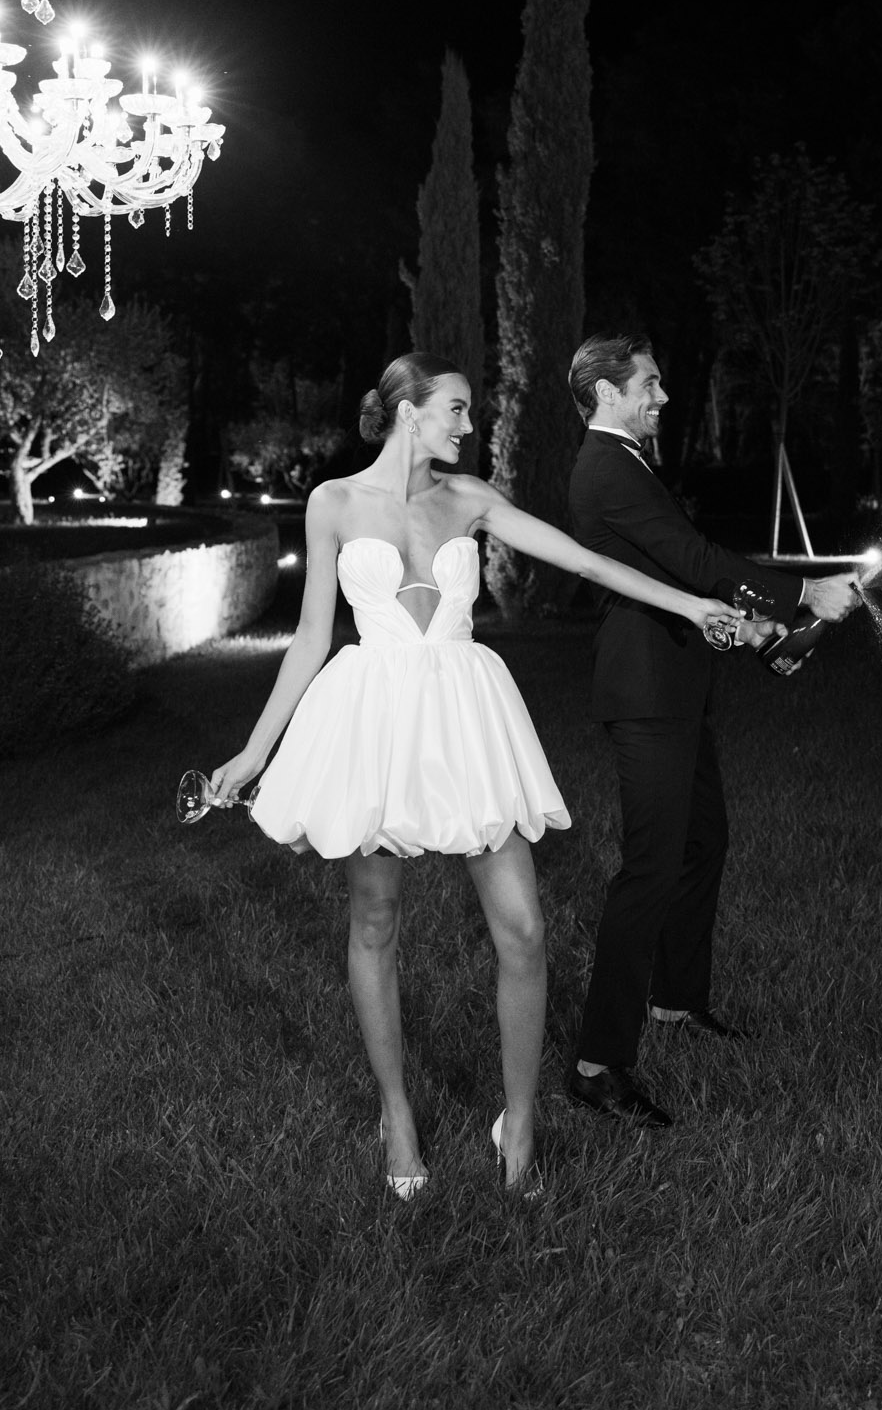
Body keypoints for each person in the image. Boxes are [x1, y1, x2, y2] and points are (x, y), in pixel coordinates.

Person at [208, 352, 739, 1202]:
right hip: (375, 722)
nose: (468, 424)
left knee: (523, 930)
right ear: (408, 411)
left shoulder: (471, 499)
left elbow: (587, 563)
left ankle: (517, 1123)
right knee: (375, 919)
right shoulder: (333, 503)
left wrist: (691, 604)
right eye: (455, 409)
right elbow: (311, 637)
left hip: (464, 718)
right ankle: (397, 1115)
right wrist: (254, 752)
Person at [564, 334, 861, 1127]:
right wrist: (800, 596)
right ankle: (597, 1064)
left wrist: (762, 636)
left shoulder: (628, 463)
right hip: (645, 691)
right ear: (606, 392)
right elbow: (693, 557)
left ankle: (675, 1000)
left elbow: (674, 574)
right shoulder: (606, 467)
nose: (663, 397)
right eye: (650, 384)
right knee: (650, 869)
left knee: (703, 841)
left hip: (674, 682)